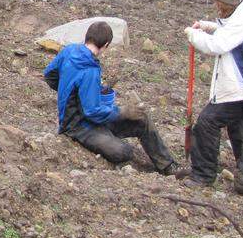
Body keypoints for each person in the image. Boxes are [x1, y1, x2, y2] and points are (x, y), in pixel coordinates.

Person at [43, 21, 179, 174]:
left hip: (87, 119)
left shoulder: (68, 51)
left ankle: (168, 167)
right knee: (123, 151)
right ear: (106, 44)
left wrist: (68, 90)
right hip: (78, 127)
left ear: (87, 37)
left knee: (141, 119)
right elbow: (92, 112)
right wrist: (122, 112)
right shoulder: (90, 70)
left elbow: (49, 75)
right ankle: (168, 168)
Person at [180, 0, 243, 197]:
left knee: (207, 123)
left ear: (226, 0)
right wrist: (208, 26)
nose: (215, 6)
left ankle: (203, 174)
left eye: (217, 1)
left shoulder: (241, 20)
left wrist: (193, 35)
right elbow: (228, 33)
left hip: (240, 90)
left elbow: (217, 45)